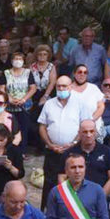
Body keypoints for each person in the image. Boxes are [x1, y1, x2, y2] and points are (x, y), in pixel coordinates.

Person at [38, 75, 89, 208]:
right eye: (59, 86)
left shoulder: (80, 103)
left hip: (73, 151)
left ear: (70, 86)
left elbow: (85, 125)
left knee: (72, 181)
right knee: (49, 183)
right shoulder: (49, 104)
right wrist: (50, 144)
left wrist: (73, 144)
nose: (61, 89)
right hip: (52, 151)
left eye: (64, 86)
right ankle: (47, 211)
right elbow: (42, 126)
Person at [63, 119, 110, 195]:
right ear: (79, 133)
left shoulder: (108, 152)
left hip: (100, 196)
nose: (88, 135)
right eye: (85, 132)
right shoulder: (69, 153)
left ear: (96, 132)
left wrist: (100, 196)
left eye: (91, 131)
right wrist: (71, 197)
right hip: (74, 198)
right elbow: (62, 177)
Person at [0, 51, 37, 151]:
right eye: (16, 59)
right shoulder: (6, 73)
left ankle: (22, 151)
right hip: (10, 107)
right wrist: (9, 98)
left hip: (24, 106)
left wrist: (24, 99)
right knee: (10, 129)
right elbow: (1, 88)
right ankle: (10, 150)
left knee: (24, 129)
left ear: (23, 61)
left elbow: (33, 88)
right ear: (11, 61)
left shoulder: (28, 73)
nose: (18, 61)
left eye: (20, 59)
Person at [28, 44, 58, 152]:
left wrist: (45, 96)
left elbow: (52, 82)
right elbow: (30, 82)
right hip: (34, 94)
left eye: (44, 54)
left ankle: (46, 145)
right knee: (34, 121)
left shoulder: (51, 67)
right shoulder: (32, 67)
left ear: (48, 55)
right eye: (40, 54)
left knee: (45, 120)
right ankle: (37, 145)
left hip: (47, 94)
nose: (42, 56)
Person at [68, 65, 105, 135]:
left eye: (85, 72)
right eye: (80, 72)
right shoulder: (68, 89)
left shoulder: (93, 88)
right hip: (73, 128)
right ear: (74, 74)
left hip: (94, 127)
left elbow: (101, 107)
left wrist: (90, 122)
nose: (82, 74)